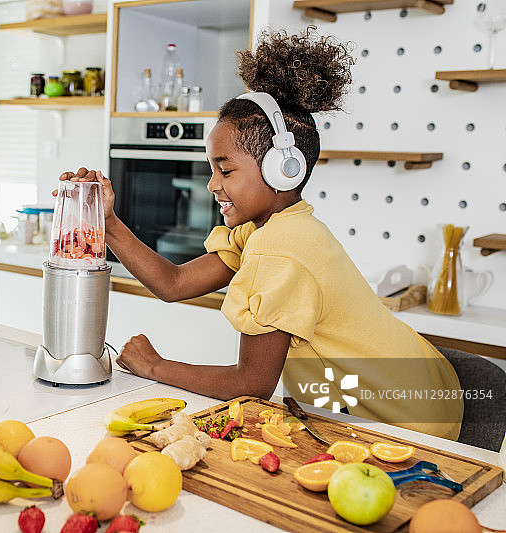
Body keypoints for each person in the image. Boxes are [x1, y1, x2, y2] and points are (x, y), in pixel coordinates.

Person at [58, 27, 462, 440]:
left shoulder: (279, 248)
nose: (212, 185)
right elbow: (174, 282)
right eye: (211, 170)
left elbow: (252, 385)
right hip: (431, 384)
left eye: (226, 169)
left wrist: (154, 367)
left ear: (281, 168)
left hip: (412, 425)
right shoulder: (269, 227)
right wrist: (107, 222)